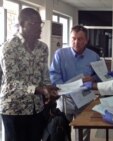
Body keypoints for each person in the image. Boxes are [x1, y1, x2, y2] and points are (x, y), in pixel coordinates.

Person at [0, 8, 59, 141]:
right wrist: (39, 90)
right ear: (21, 25)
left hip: (37, 109)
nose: (39, 27)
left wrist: (49, 91)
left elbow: (44, 76)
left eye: (40, 23)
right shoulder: (9, 47)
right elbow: (12, 82)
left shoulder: (43, 48)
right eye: (33, 23)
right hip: (14, 109)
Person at [49, 25, 100, 141]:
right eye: (73, 38)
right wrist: (65, 89)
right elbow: (54, 76)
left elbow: (100, 76)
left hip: (85, 100)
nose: (76, 42)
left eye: (80, 39)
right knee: (63, 132)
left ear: (86, 40)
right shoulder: (60, 54)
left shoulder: (94, 56)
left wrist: (93, 78)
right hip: (66, 100)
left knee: (84, 133)